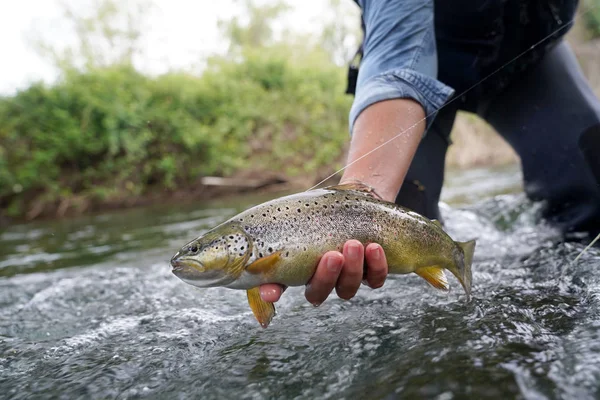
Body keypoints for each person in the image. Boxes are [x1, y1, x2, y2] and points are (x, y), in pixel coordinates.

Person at [259, 0, 600, 305]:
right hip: (414, 63)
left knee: (594, 186)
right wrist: (358, 203)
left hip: (529, 59)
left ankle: (560, 298)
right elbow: (399, 66)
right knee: (394, 229)